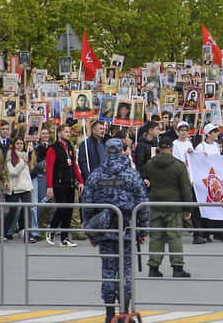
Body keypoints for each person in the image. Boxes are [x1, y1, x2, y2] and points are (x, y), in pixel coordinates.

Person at [80, 138, 149, 323]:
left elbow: (86, 204)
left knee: (108, 270)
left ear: (106, 152)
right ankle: (125, 312)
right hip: (126, 230)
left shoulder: (96, 175)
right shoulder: (132, 175)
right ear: (122, 151)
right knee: (125, 270)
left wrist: (90, 231)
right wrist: (143, 230)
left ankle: (110, 313)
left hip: (103, 230)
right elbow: (143, 204)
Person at [142, 137, 193, 278]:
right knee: (174, 236)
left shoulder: (150, 164)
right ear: (171, 149)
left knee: (156, 237)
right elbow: (185, 188)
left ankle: (153, 267)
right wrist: (188, 207)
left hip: (155, 203)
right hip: (173, 204)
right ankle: (177, 267)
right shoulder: (178, 165)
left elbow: (145, 176)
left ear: (158, 149)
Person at [46, 124, 85, 247]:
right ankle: (51, 230)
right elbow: (49, 168)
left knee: (69, 210)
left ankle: (65, 238)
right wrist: (49, 186)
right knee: (61, 208)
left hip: (70, 182)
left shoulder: (70, 147)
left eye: (69, 132)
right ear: (59, 133)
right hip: (59, 183)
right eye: (66, 132)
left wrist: (80, 181)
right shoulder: (53, 148)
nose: (69, 134)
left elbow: (74, 164)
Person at [3, 138, 33, 240]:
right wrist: (23, 163)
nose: (20, 145)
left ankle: (28, 233)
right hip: (15, 187)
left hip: (25, 187)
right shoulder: (10, 156)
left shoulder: (26, 155)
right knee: (12, 212)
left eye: (21, 144)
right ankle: (3, 232)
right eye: (17, 144)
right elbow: (13, 172)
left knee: (27, 211)